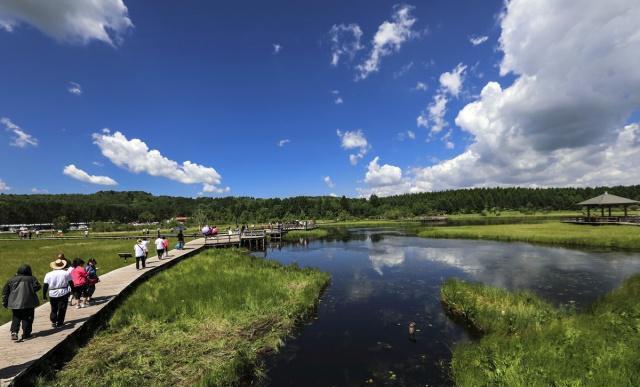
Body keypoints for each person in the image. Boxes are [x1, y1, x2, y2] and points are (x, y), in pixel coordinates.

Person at [2, 265, 40, 341]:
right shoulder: (32, 278)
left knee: (16, 317)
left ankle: (14, 332)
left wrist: (5, 302)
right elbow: (38, 287)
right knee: (27, 318)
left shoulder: (11, 280)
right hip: (29, 303)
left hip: (15, 303)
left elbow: (5, 291)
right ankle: (26, 335)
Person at [43, 258, 73, 328]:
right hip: (63, 292)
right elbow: (71, 283)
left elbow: (45, 286)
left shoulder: (48, 274)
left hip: (52, 293)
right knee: (62, 308)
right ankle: (60, 322)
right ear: (63, 266)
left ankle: (53, 321)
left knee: (54, 308)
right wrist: (73, 291)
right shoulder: (66, 273)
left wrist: (44, 295)